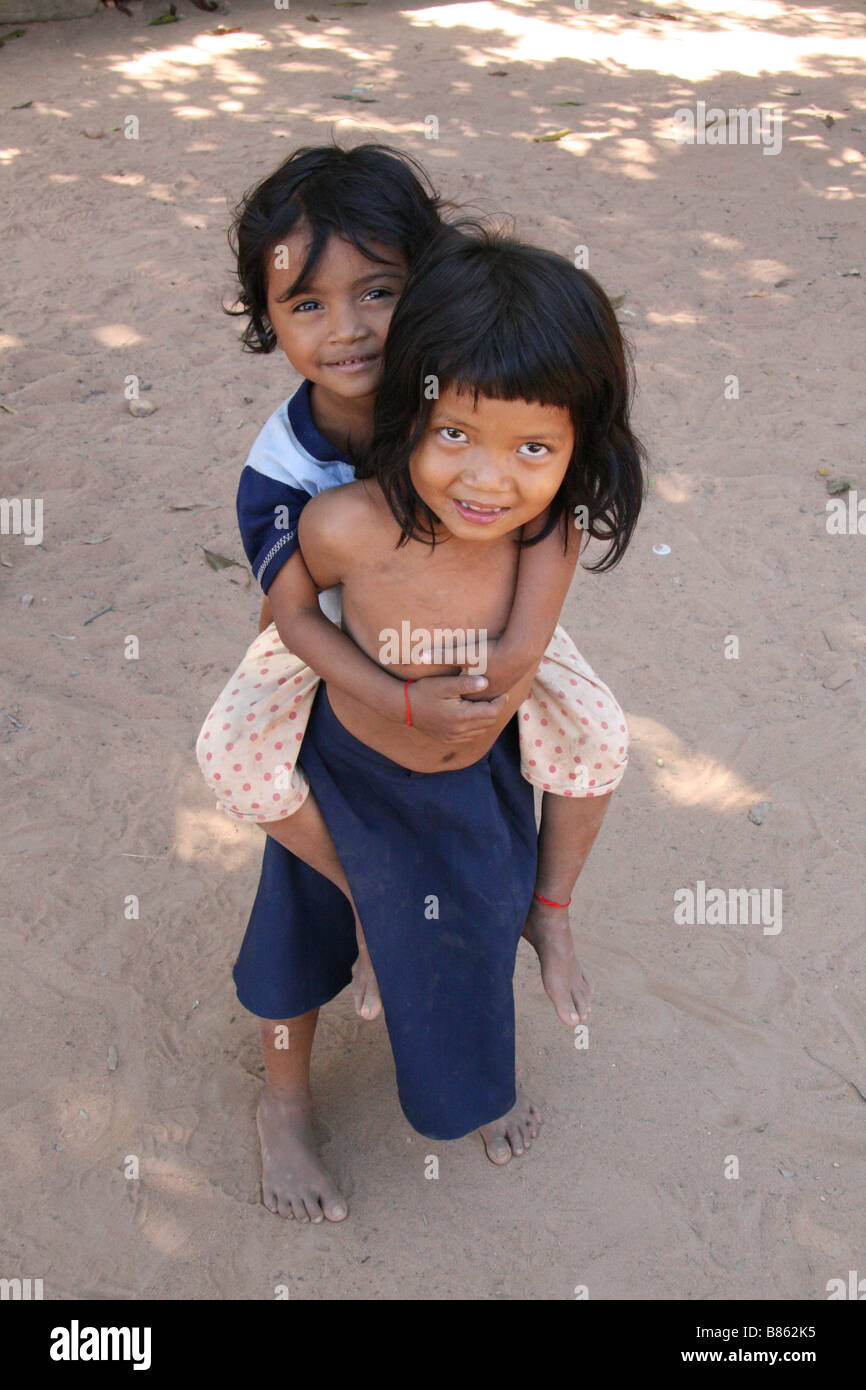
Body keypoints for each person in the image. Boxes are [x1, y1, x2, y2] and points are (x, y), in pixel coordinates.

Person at [220, 226, 647, 1222]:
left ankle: (546, 921)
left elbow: (545, 569)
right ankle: (283, 1102)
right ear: (407, 409)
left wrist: (512, 664)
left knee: (474, 924)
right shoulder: (329, 511)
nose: (485, 479)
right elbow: (284, 617)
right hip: (346, 776)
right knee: (295, 938)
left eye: (531, 448)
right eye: (452, 435)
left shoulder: (543, 506)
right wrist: (395, 692)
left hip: (466, 780)